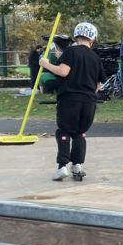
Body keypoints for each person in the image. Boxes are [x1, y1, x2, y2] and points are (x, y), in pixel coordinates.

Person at [39, 23, 101, 182]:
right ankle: (77, 164)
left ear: (76, 36)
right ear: (93, 39)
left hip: (69, 99)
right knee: (80, 132)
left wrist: (45, 64)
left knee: (64, 131)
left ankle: (62, 166)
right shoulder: (95, 57)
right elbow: (98, 85)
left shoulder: (71, 51)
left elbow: (63, 71)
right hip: (89, 101)